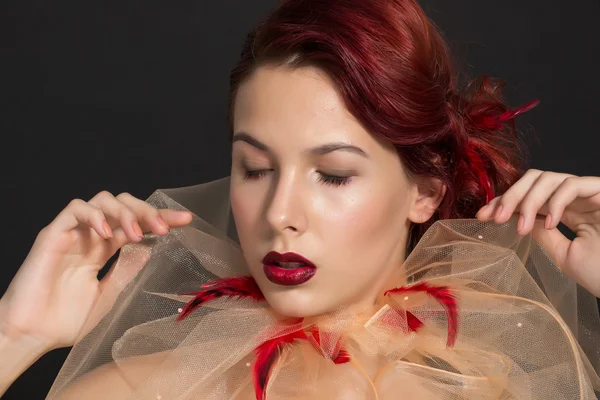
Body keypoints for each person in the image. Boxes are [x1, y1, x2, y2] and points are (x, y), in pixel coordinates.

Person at [1, 0, 600, 398]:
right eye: (255, 168)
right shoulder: (141, 390)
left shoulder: (500, 391)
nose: (279, 215)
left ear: (425, 191)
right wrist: (15, 336)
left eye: (334, 175)